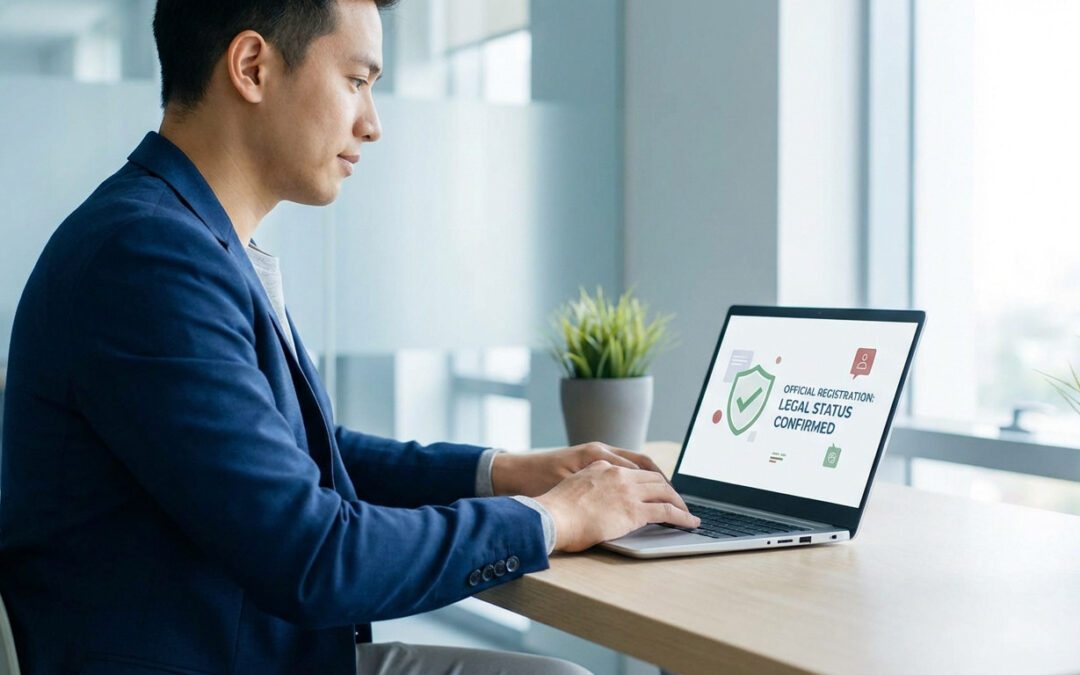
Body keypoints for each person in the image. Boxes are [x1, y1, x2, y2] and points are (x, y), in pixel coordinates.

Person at [0, 0, 699, 672]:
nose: (371, 123)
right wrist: (547, 519)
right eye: (357, 81)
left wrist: (503, 471)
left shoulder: (185, 236)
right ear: (251, 67)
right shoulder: (148, 256)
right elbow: (315, 556)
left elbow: (296, 462)